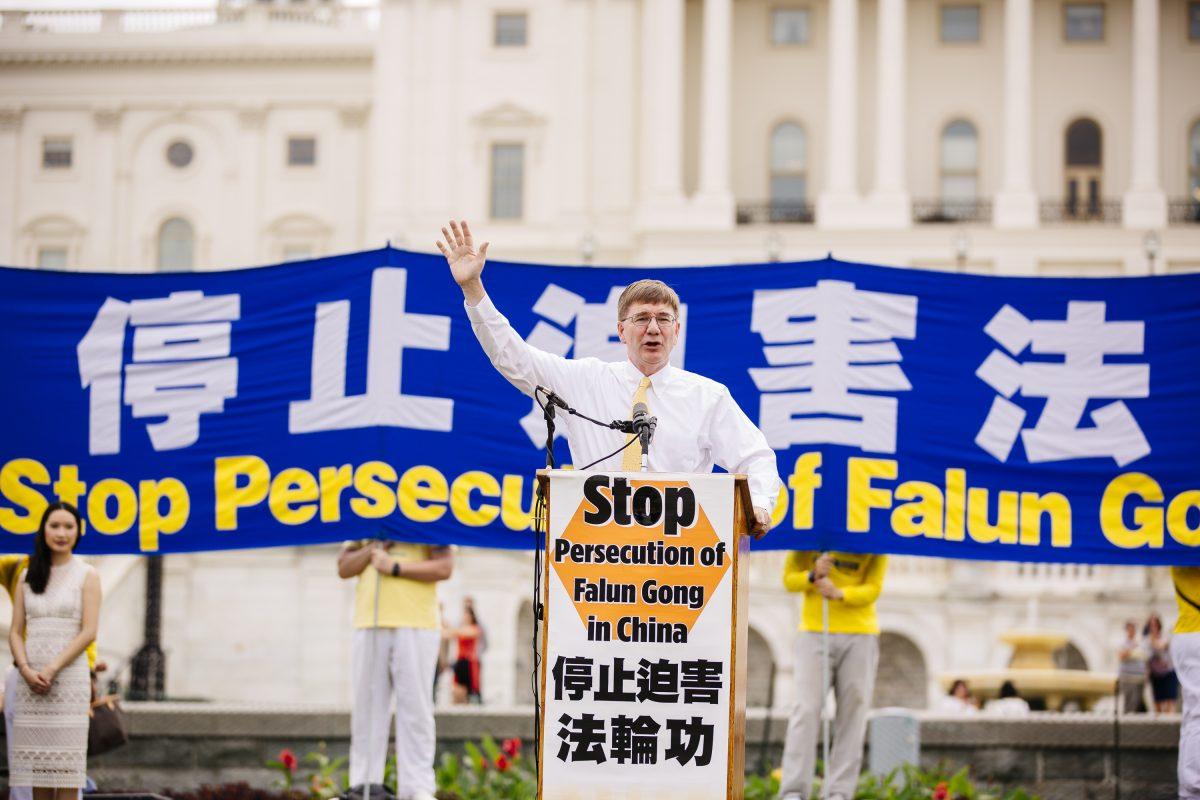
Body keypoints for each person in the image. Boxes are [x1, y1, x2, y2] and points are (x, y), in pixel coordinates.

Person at [437, 220, 782, 534]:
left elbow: (755, 458)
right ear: (621, 330)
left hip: (681, 561)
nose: (653, 329)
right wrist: (473, 289)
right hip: (598, 559)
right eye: (641, 318)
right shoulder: (585, 380)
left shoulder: (707, 396)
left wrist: (759, 506)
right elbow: (513, 358)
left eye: (663, 319)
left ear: (677, 331)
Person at [338, 539, 453, 800]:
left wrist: (395, 567)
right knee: (366, 709)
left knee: (416, 708)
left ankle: (418, 788)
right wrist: (373, 548)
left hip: (417, 622)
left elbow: (444, 567)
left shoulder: (429, 509)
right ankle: (363, 785)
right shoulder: (366, 511)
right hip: (369, 620)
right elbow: (344, 566)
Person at [8, 502, 101, 800]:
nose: (61, 533)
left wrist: (52, 668)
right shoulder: (27, 575)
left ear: (78, 532)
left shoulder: (87, 574)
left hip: (68, 682)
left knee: (67, 773)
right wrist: (25, 669)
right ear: (43, 530)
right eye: (55, 526)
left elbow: (89, 631)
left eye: (69, 527)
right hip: (31, 683)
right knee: (39, 774)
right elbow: (15, 631)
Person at [778, 551, 887, 800]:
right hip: (814, 630)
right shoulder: (805, 535)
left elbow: (874, 588)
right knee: (805, 709)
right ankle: (793, 790)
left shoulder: (875, 538)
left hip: (860, 632)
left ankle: (839, 791)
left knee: (853, 712)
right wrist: (812, 575)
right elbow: (788, 580)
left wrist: (841, 594)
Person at [1171, 566, 1200, 799]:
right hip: (1194, 632)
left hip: (1189, 631)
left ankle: (1190, 790)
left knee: (1194, 716)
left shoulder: (1178, 530)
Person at [446, 598, 483, 705]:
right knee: (457, 692)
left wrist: (449, 627)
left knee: (468, 692)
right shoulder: (461, 627)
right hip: (460, 662)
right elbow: (449, 633)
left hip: (469, 663)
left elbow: (459, 632)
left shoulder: (474, 628)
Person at [1144, 612, 1177, 713]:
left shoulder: (1165, 636)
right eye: (1151, 625)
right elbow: (1146, 658)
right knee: (1157, 703)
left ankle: (1170, 725)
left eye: (1155, 624)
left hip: (1168, 672)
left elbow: (1161, 645)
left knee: (1170, 701)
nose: (1153, 627)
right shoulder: (1146, 640)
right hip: (1156, 675)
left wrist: (1152, 640)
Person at [1117, 619, 1148, 713]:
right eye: (1129, 628)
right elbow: (1121, 656)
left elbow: (1145, 659)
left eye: (1133, 628)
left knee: (1137, 702)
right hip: (1127, 677)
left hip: (1139, 677)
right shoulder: (1122, 642)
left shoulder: (1141, 643)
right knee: (1129, 701)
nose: (1132, 630)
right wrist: (1131, 648)